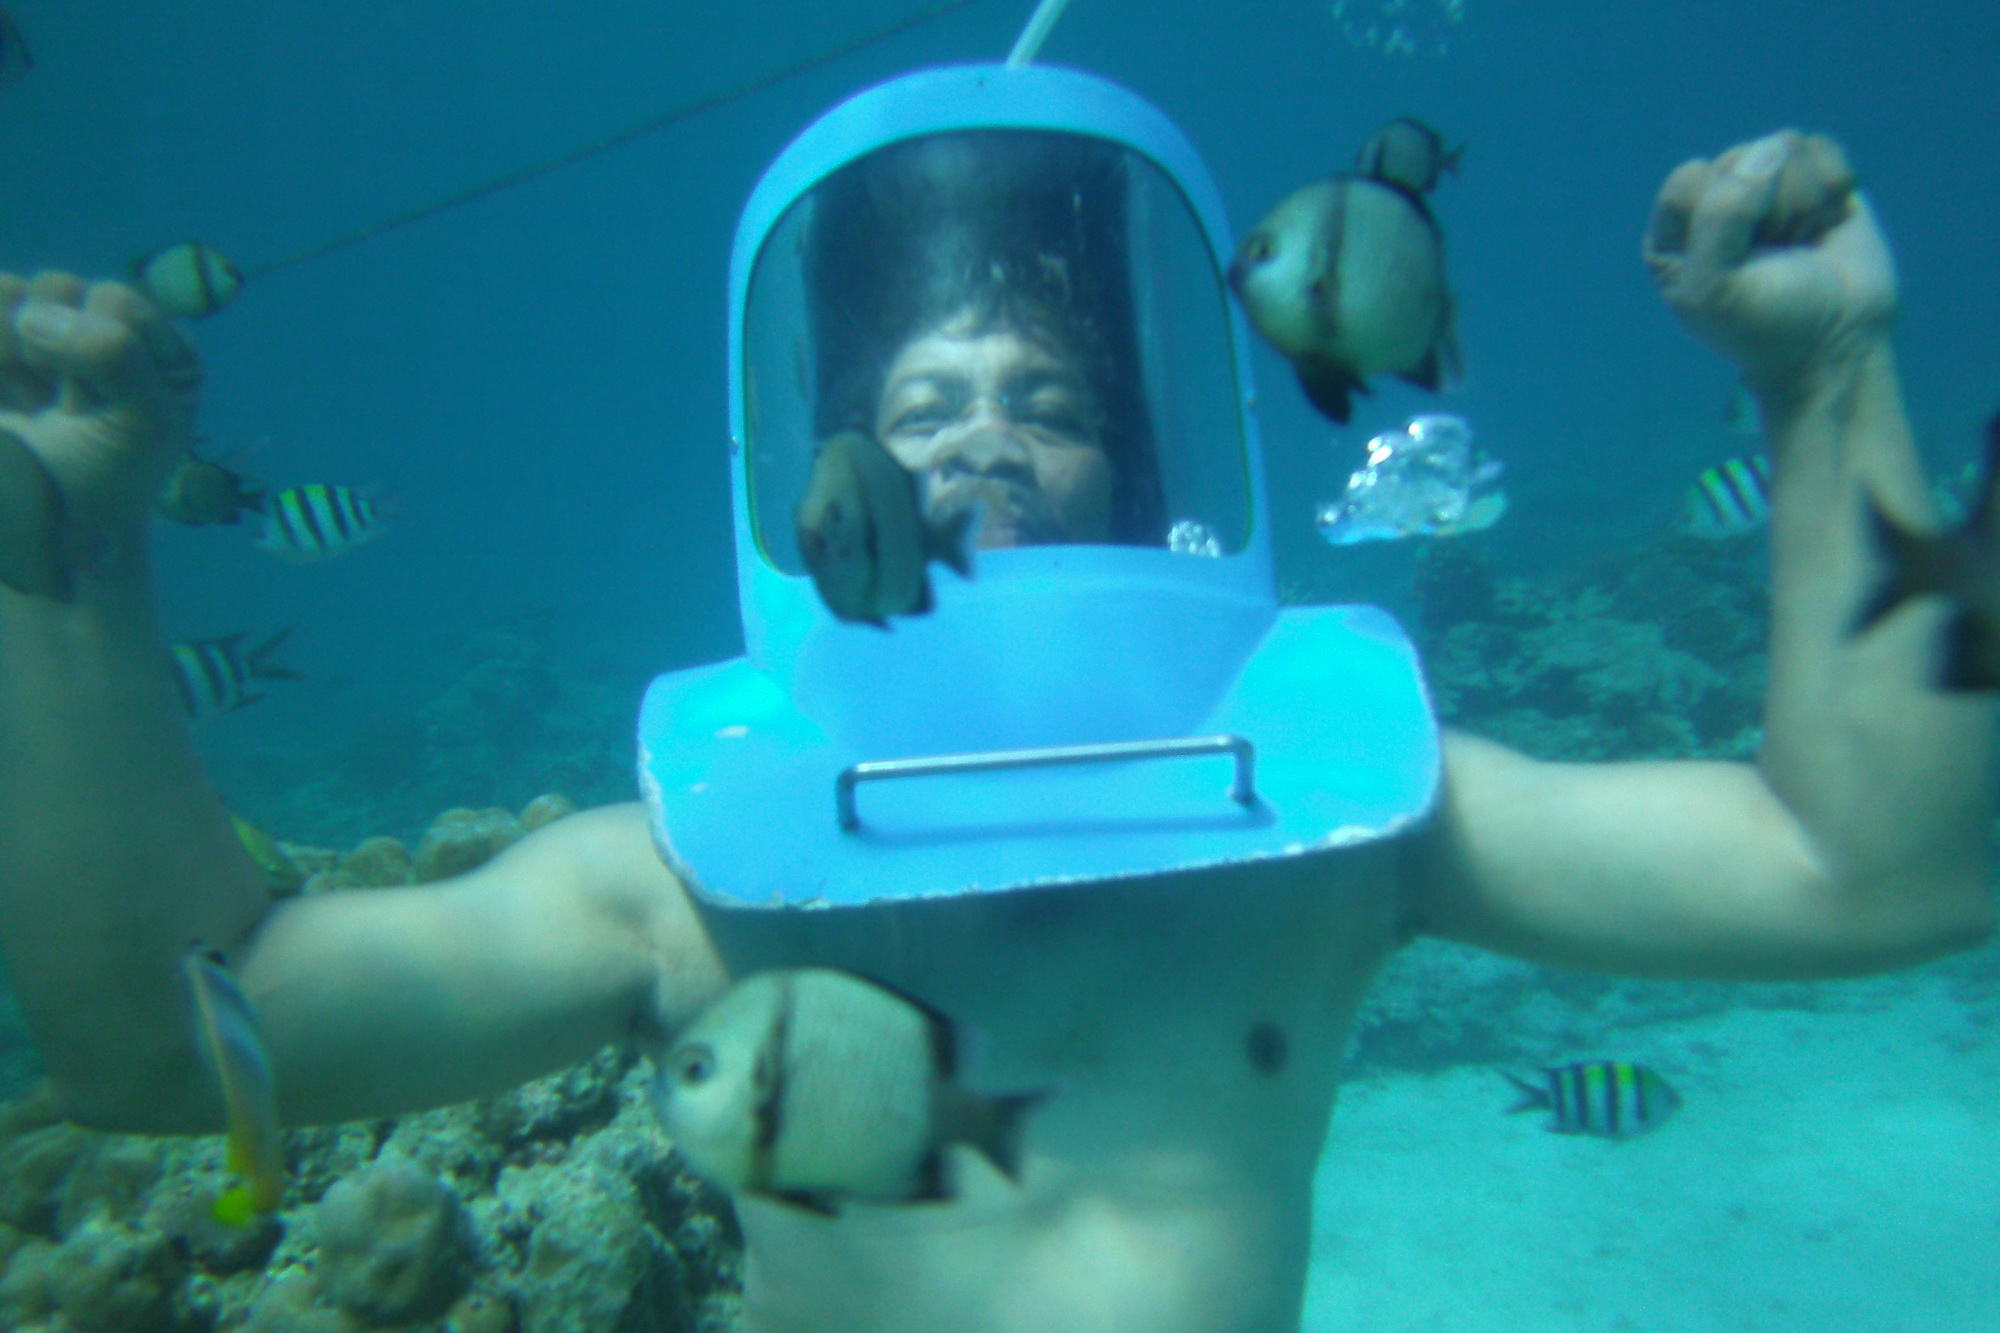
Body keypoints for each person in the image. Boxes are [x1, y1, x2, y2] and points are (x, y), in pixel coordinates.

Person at [0, 80, 1992, 1333]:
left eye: (1043, 400)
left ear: (1139, 456)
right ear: (822, 476)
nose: (980, 442)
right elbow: (167, 1038)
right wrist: (66, 557)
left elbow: (1870, 872)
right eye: (924, 406)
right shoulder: (689, 878)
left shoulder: (1329, 815)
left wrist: (1828, 374)